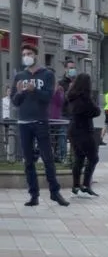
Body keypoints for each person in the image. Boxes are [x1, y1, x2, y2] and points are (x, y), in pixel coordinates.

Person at [12, 44, 69, 207]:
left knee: (48, 158)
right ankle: (33, 195)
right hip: (24, 122)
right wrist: (21, 92)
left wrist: (33, 90)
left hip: (40, 121)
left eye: (29, 53)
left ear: (36, 55)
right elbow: (15, 102)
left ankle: (55, 192)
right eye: (24, 54)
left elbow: (48, 97)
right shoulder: (20, 76)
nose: (26, 56)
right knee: (28, 161)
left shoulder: (47, 75)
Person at [66, 73, 101, 197]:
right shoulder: (84, 98)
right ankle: (86, 185)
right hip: (84, 130)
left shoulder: (71, 96)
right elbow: (96, 111)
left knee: (79, 157)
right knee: (93, 157)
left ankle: (76, 186)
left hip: (73, 129)